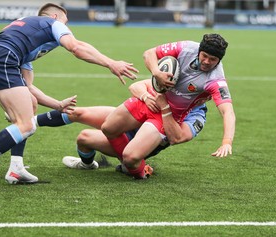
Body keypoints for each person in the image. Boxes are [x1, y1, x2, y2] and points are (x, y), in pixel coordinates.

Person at [0, 3, 139, 194]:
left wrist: (57, 104)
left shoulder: (26, 42)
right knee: (25, 124)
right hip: (2, 58)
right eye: (65, 22)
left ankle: (16, 168)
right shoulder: (51, 23)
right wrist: (111, 63)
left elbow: (27, 87)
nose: (67, 28)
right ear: (54, 17)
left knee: (30, 106)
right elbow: (76, 47)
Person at [100, 33, 236, 179]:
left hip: (167, 116)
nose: (207, 61)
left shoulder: (216, 80)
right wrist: (156, 72)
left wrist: (226, 142)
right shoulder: (186, 48)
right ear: (199, 51)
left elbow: (227, 112)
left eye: (213, 59)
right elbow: (149, 53)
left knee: (130, 156)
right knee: (107, 128)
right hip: (151, 99)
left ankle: (138, 170)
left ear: (219, 60)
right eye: (204, 56)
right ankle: (130, 165)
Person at [59, 79, 207, 174]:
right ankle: (87, 165)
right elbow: (136, 86)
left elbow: (178, 137)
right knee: (77, 113)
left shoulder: (198, 115)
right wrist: (146, 97)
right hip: (132, 121)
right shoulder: (176, 88)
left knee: (84, 136)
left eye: (203, 94)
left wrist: (165, 110)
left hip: (142, 142)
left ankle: (135, 166)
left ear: (208, 97)